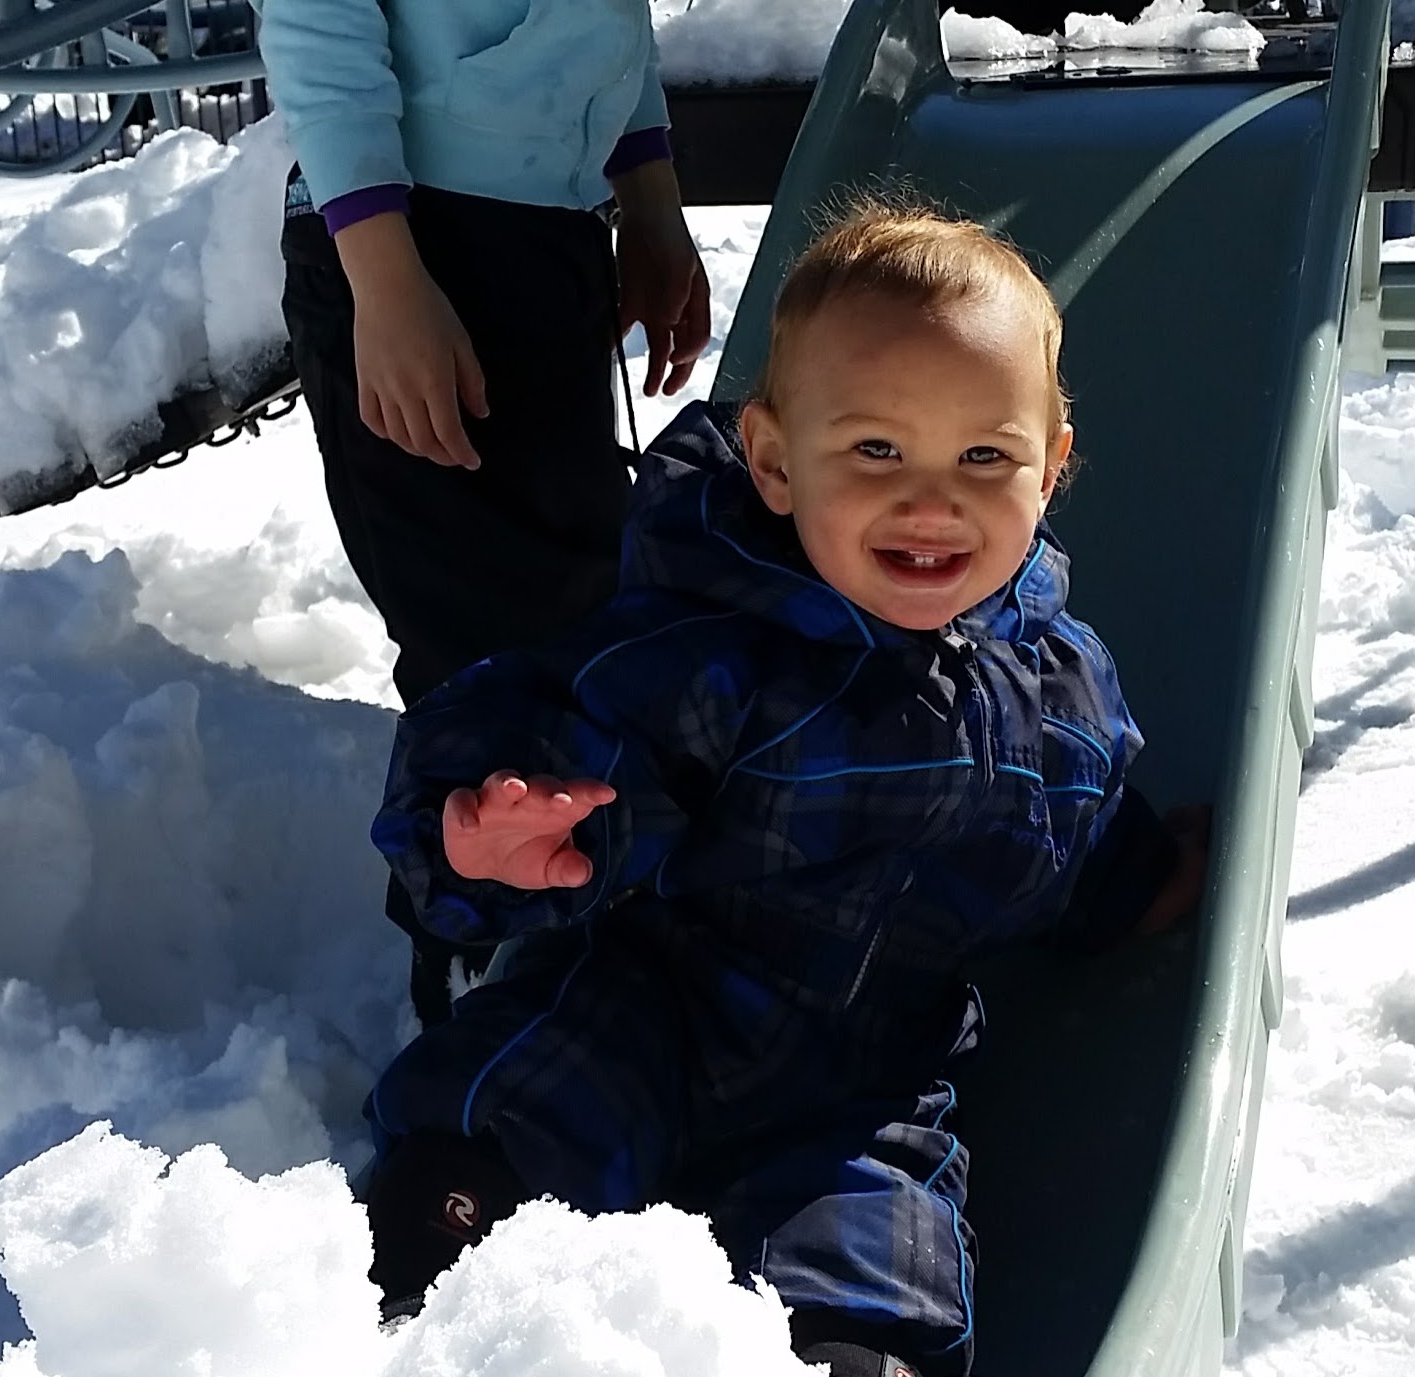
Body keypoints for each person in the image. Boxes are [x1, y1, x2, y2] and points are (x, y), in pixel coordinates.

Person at [359, 204, 1205, 1377]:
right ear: (772, 459)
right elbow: (547, 723)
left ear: (1051, 466)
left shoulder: (1061, 694)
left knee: (878, 1272)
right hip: (647, 1005)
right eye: (873, 451)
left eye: (983, 457)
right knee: (502, 1122)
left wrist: (1149, 883)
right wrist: (485, 836)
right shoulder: (714, 643)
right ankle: (420, 1297)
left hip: (862, 1089)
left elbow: (1080, 823)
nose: (929, 500)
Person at [257, 0, 712, 1024]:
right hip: (409, 242)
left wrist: (647, 198)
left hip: (541, 235)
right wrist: (384, 276)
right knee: (475, 631)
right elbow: (315, 27)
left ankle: (566, 905)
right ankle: (469, 952)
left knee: (579, 600)